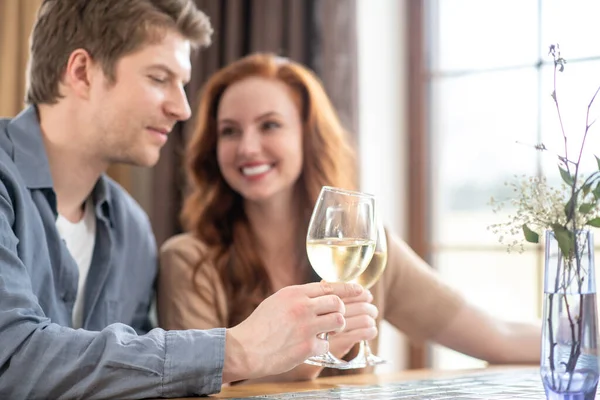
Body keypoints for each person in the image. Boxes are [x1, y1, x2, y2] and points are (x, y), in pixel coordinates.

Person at [0, 1, 369, 398]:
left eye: (182, 84)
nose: (182, 109)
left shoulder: (131, 228)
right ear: (82, 72)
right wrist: (240, 349)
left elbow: (129, 383)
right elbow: (12, 358)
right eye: (160, 78)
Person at [157, 53, 542, 384]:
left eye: (270, 125)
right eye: (229, 131)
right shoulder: (190, 260)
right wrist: (316, 352)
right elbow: (198, 384)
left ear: (308, 138)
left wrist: (581, 334)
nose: (248, 147)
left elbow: (499, 337)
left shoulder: (369, 247)